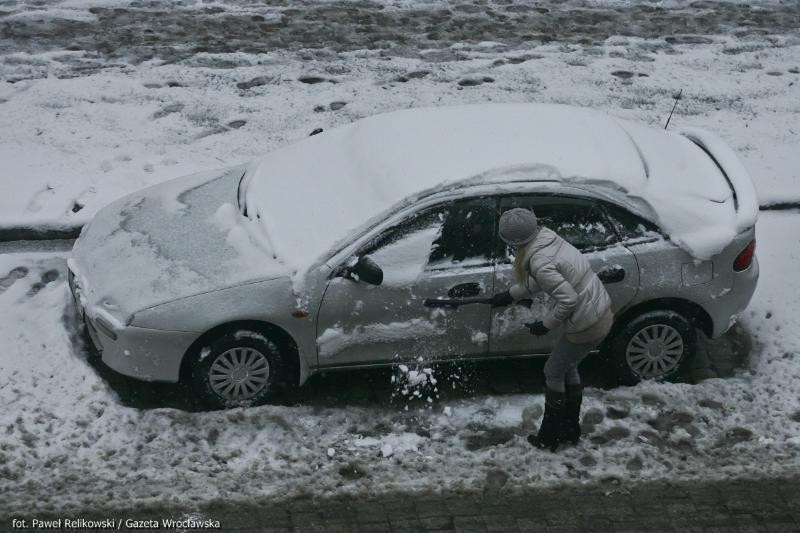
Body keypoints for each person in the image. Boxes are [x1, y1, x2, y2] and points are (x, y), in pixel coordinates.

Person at [490, 207, 614, 451]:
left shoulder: (539, 259)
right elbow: (548, 277)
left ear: (514, 241)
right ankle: (569, 429)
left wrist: (544, 325)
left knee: (552, 371)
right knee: (567, 367)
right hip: (598, 312)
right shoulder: (548, 240)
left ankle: (550, 436)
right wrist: (511, 294)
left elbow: (567, 299)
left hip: (586, 324)